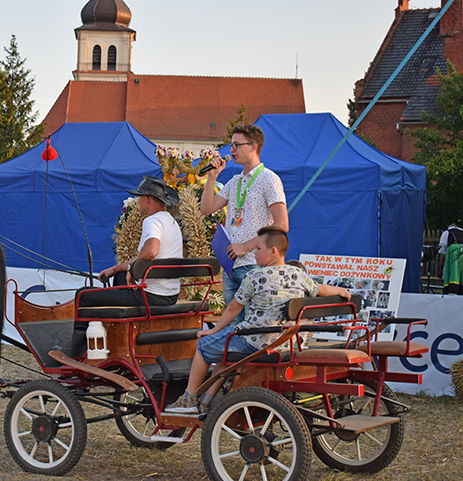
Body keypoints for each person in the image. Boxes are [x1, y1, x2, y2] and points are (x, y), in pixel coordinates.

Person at [165, 226, 350, 414]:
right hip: (289, 343)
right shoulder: (299, 274)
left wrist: (213, 330)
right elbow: (321, 290)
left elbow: (233, 308)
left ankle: (189, 399)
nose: (254, 252)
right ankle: (206, 400)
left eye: (258, 248)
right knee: (225, 351)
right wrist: (341, 291)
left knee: (204, 346)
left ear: (273, 252)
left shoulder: (254, 275)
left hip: (256, 341)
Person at [200, 123, 288, 323]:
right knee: (234, 325)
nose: (231, 151)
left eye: (236, 145)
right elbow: (206, 209)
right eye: (231, 146)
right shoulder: (235, 181)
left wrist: (246, 246)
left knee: (253, 324)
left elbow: (282, 225)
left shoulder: (269, 179)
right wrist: (211, 178)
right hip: (231, 265)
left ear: (253, 147)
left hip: (254, 265)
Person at [78, 175, 183, 308]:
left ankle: (86, 328)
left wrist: (132, 271)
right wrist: (115, 269)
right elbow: (146, 256)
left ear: (147, 199)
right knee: (120, 275)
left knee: (83, 295)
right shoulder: (171, 221)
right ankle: (118, 321)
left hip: (151, 295)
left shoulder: (152, 220)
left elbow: (151, 251)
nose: (138, 200)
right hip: (170, 295)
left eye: (139, 197)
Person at [439, 221, 463, 295]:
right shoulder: (462, 231)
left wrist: (442, 264)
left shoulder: (447, 232)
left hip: (454, 251)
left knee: (454, 270)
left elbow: (443, 251)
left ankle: (453, 288)